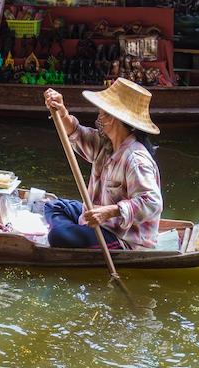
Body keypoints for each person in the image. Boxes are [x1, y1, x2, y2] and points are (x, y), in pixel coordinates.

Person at [42, 78, 163, 250]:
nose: (99, 117)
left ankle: (74, 231)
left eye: (101, 113)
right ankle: (79, 229)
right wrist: (61, 113)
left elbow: (152, 202)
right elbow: (75, 132)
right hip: (97, 220)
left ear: (112, 118)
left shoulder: (135, 159)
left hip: (122, 236)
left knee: (57, 235)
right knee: (53, 205)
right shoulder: (106, 144)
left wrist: (110, 211)